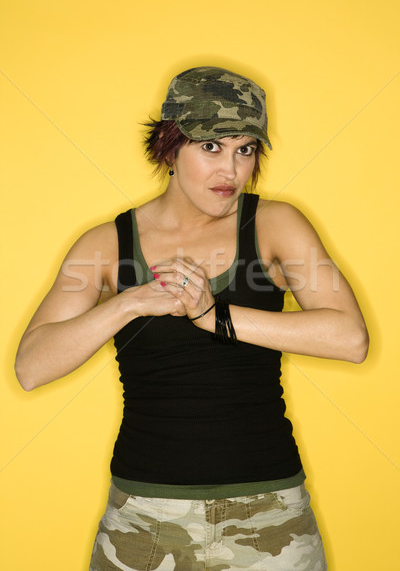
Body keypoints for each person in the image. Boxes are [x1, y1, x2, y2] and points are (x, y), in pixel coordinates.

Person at [15, 66, 369, 571]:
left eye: (245, 149)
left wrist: (213, 314)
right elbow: (32, 366)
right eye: (211, 147)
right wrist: (129, 302)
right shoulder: (105, 245)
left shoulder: (273, 224)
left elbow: (349, 338)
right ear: (169, 145)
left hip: (270, 515)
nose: (231, 170)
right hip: (143, 518)